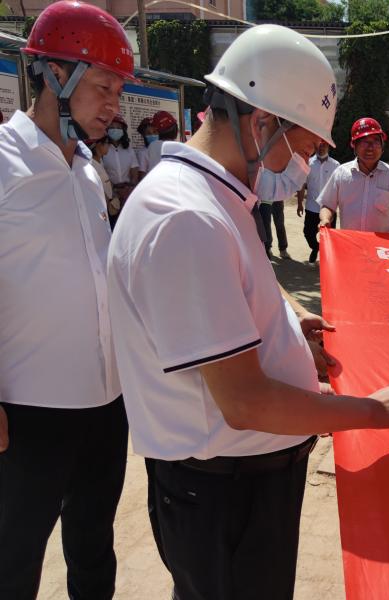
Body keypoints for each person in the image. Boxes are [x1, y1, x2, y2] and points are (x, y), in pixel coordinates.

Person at [107, 24, 389, 600]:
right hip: (224, 498)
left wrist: (284, 330)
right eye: (299, 147)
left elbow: (226, 302)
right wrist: (372, 412)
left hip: (236, 488)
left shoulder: (213, 198)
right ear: (260, 123)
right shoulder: (187, 218)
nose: (300, 165)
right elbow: (245, 402)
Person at [0, 2, 134, 597]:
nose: (114, 105)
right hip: (29, 411)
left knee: (93, 547)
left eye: (119, 91)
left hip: (105, 404)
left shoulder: (84, 169)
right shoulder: (4, 161)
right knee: (14, 555)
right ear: (55, 74)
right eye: (104, 87)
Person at [318, 117, 389, 235]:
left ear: (382, 146)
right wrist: (325, 220)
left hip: (382, 244)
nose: (370, 147)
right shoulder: (341, 174)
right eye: (365, 142)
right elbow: (328, 205)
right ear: (354, 145)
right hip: (351, 242)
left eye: (375, 142)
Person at [297, 140, 339, 263]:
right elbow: (301, 185)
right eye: (319, 145)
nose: (321, 148)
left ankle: (327, 262)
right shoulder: (308, 163)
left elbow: (339, 187)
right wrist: (299, 204)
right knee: (308, 233)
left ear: (328, 146)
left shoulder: (336, 165)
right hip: (311, 206)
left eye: (324, 145)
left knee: (328, 236)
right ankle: (316, 248)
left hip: (329, 209)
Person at [103, 113, 139, 203]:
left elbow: (134, 173)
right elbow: (101, 174)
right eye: (112, 127)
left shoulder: (129, 150)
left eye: (119, 128)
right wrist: (114, 191)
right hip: (109, 193)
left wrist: (129, 189)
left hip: (128, 192)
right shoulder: (102, 149)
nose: (115, 130)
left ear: (123, 131)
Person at [89, 136, 122, 227]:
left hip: (110, 206)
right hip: (103, 208)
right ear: (99, 145)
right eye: (107, 143)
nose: (109, 146)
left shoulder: (100, 161)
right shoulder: (91, 164)